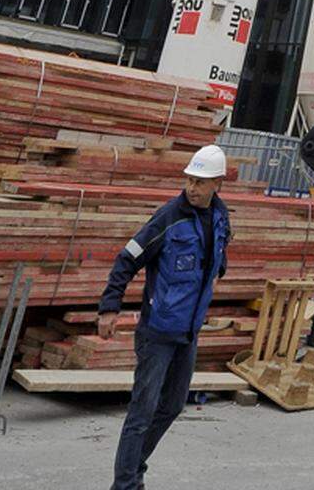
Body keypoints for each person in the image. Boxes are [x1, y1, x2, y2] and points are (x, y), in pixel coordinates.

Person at [99, 144, 232, 490]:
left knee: (172, 406)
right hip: (157, 333)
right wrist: (110, 307)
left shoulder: (220, 218)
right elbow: (126, 259)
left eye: (201, 182)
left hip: (187, 334)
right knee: (141, 413)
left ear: (218, 182)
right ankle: (125, 484)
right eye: (189, 179)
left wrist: (218, 266)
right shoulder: (168, 218)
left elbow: (218, 254)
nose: (193, 187)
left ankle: (132, 469)